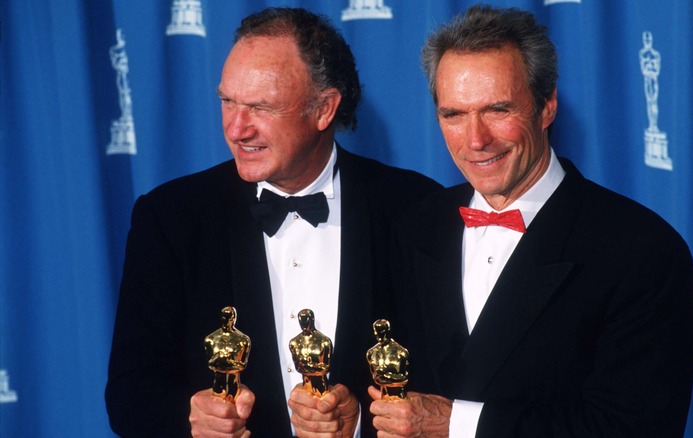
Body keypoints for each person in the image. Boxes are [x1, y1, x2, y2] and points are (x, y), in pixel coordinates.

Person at [105, 7, 441, 438]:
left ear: (324, 109)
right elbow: (131, 395)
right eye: (227, 101)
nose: (236, 128)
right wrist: (191, 417)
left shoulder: (416, 208)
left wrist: (361, 423)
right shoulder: (171, 216)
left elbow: (445, 386)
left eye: (260, 107)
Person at [369, 5, 693, 437]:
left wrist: (459, 424)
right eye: (454, 114)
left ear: (546, 107)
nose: (476, 139)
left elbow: (634, 427)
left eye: (498, 110)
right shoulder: (415, 227)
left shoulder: (642, 249)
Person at [204, 306, 251, 402]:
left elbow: (243, 365)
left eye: (231, 318)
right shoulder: (210, 339)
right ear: (221, 318)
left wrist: (226, 361)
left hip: (234, 385)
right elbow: (210, 364)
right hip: (218, 385)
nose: (229, 321)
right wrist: (220, 358)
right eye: (225, 318)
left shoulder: (243, 340)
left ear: (234, 318)